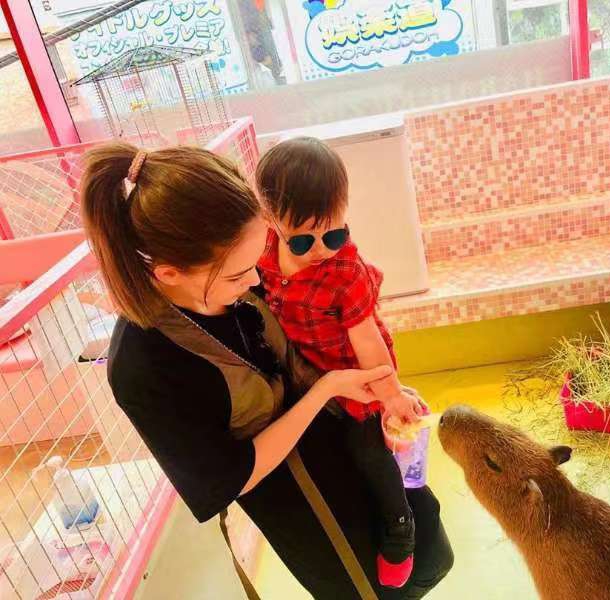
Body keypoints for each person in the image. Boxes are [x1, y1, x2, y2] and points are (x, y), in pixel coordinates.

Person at [80, 142, 453, 600]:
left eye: (255, 264)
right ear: (170, 274)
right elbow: (226, 479)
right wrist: (327, 390)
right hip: (313, 512)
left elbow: (320, 339)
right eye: (238, 276)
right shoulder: (144, 366)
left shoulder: (244, 273)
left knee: (431, 554)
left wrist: (383, 391)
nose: (256, 282)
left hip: (354, 439)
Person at [254, 137, 424, 588]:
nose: (320, 249)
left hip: (358, 369)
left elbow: (367, 339)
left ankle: (401, 524)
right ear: (270, 220)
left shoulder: (345, 273)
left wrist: (389, 394)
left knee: (367, 449)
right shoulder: (262, 250)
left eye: (334, 234)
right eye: (302, 239)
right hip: (310, 368)